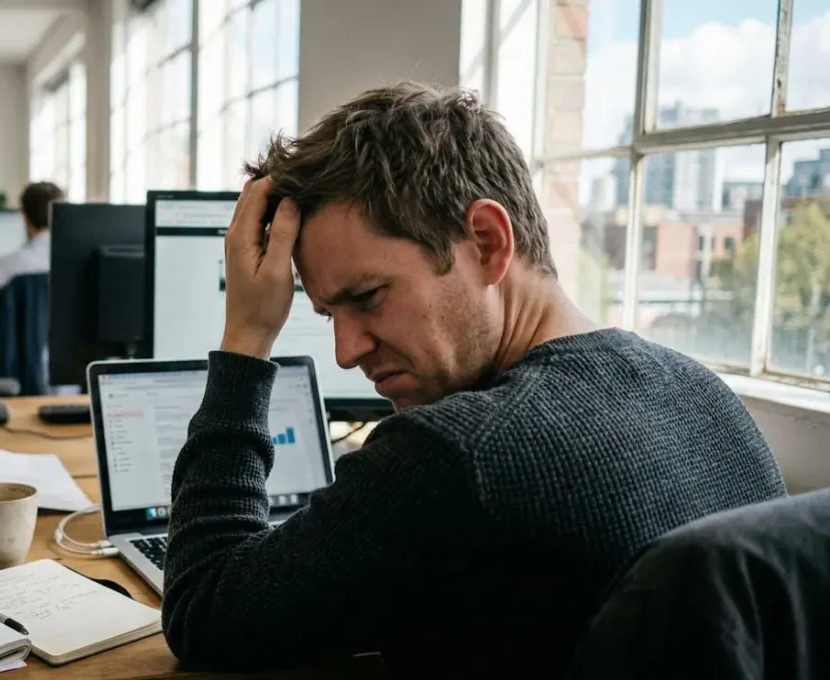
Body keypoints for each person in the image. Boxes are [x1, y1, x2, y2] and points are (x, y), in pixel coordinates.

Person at [160, 83, 787, 677]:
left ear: (487, 243)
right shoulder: (707, 397)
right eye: (328, 315)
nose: (346, 351)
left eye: (369, 297)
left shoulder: (457, 454)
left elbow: (205, 608)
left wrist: (247, 337)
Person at [0, 182, 64, 348]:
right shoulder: (75, 267)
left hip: (8, 370)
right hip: (68, 370)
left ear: (24, 216)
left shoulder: (4, 268)